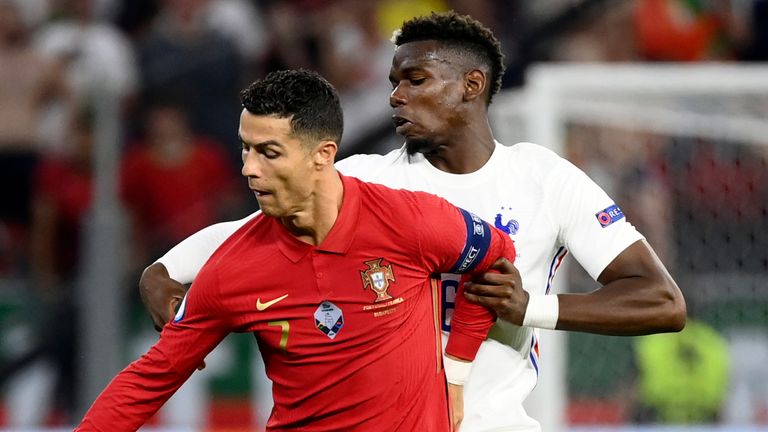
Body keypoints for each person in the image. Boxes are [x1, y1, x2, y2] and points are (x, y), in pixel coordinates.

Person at [140, 11, 687, 431]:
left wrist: (533, 309)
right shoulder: (363, 179)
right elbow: (245, 232)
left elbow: (662, 301)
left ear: (471, 86)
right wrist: (163, 272)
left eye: (415, 80)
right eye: (393, 82)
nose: (396, 97)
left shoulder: (544, 178)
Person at [76, 69, 516, 431]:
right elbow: (149, 380)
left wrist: (456, 370)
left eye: (269, 152)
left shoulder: (409, 221)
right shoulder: (233, 270)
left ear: (323, 154)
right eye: (245, 149)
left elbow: (496, 256)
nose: (249, 168)